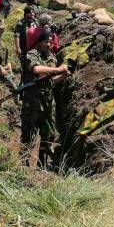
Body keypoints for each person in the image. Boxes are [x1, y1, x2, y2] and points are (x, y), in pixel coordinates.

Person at [21, 31, 70, 168]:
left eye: (50, 42)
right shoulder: (32, 54)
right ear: (40, 42)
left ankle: (42, 164)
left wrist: (63, 76)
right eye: (46, 42)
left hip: (48, 102)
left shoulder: (51, 57)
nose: (48, 45)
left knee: (48, 135)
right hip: (33, 102)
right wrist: (57, 69)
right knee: (28, 135)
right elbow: (36, 69)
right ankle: (23, 165)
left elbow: (51, 82)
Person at [13, 6, 37, 73]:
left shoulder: (35, 21)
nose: (33, 14)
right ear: (26, 14)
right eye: (31, 12)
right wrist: (18, 48)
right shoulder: (21, 23)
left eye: (33, 12)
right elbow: (17, 36)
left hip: (34, 46)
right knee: (24, 61)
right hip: (24, 45)